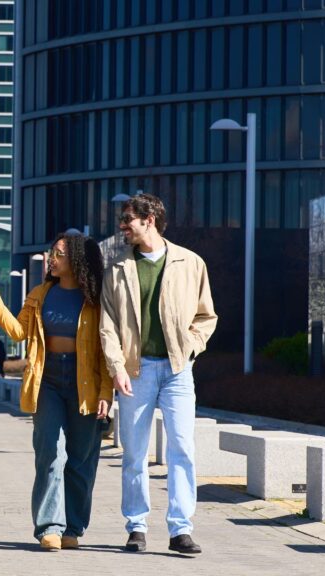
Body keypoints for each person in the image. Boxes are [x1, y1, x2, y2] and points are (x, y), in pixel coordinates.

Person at [98, 193, 217, 555]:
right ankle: (136, 527)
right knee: (135, 453)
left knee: (183, 448)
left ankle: (181, 530)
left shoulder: (190, 262)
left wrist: (192, 347)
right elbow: (108, 326)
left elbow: (206, 316)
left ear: (149, 220)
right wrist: (116, 367)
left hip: (179, 370)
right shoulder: (116, 268)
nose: (123, 226)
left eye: (128, 219)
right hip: (135, 372)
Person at [0, 232, 112, 551]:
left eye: (60, 254)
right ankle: (49, 525)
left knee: (80, 460)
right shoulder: (40, 293)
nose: (52, 259)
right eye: (52, 252)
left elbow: (107, 351)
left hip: (85, 382)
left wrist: (107, 392)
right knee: (50, 452)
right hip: (47, 379)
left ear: (77, 260)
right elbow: (19, 331)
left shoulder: (95, 298)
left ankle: (74, 526)